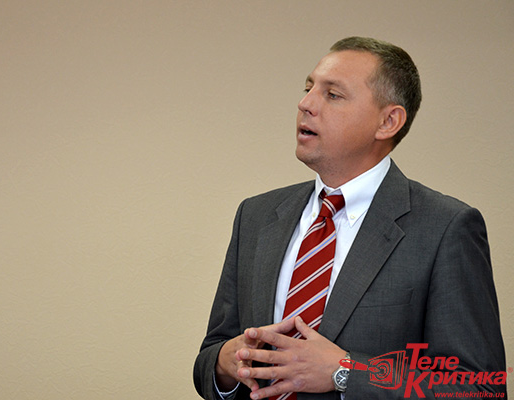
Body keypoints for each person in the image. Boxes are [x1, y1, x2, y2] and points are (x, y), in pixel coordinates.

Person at [193, 37, 506, 400]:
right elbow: (210, 358)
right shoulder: (256, 216)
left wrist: (346, 373)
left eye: (333, 95)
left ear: (388, 121)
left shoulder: (446, 228)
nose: (305, 104)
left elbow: (480, 389)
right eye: (308, 88)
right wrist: (224, 363)